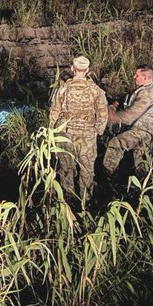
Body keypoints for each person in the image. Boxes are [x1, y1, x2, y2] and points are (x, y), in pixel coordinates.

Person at [48, 55, 108, 203]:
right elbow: (103, 113)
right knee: (87, 169)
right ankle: (85, 202)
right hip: (86, 133)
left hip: (64, 133)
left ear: (72, 69)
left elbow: (54, 111)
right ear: (87, 70)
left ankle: (67, 202)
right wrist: (98, 131)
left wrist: (51, 131)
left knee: (66, 168)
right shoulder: (96, 90)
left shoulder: (63, 88)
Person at [104, 64, 153, 178]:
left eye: (136, 75)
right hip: (149, 130)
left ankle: (107, 177)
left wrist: (113, 116)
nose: (134, 77)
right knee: (141, 157)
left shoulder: (148, 93)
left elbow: (131, 115)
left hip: (142, 130)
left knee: (116, 143)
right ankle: (145, 184)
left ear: (145, 77)